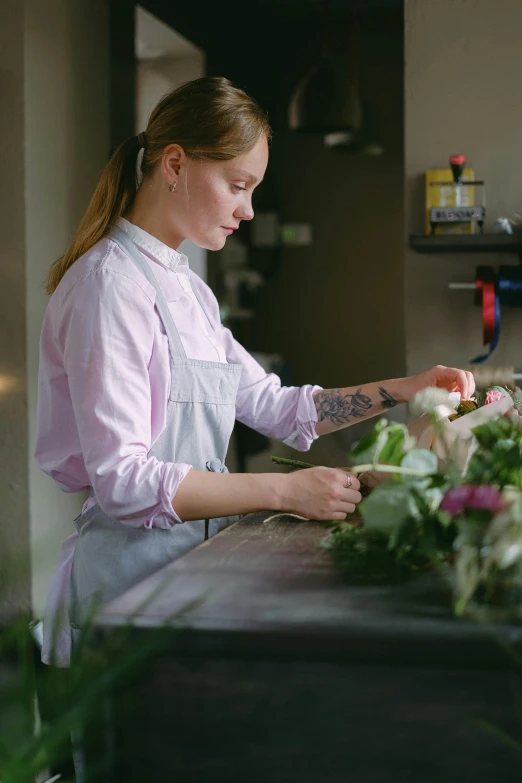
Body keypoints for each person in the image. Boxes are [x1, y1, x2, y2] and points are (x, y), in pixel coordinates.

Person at [36, 76, 475, 667]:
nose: (246, 209)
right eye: (237, 185)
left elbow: (278, 406)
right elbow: (123, 481)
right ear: (174, 164)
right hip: (124, 597)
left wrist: (406, 388)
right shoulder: (107, 287)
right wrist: (284, 490)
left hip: (187, 582)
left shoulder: (189, 290)